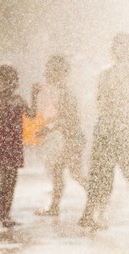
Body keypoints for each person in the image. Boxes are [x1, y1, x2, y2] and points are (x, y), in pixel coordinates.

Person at [78, 32, 129, 232]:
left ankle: (89, 216)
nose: (126, 52)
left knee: (105, 174)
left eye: (127, 48)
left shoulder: (106, 74)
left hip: (109, 127)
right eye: (123, 48)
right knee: (121, 174)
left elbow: (103, 101)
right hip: (119, 127)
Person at [34, 55, 88, 216]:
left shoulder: (65, 93)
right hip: (72, 138)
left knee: (72, 173)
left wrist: (48, 129)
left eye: (50, 72)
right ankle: (55, 207)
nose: (47, 75)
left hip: (73, 138)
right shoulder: (62, 92)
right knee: (68, 172)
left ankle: (98, 198)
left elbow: (68, 118)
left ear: (60, 73)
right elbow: (63, 116)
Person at [0, 64, 38, 228]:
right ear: (0, 81)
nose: (10, 82)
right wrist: (5, 102)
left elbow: (32, 115)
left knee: (11, 180)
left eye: (12, 79)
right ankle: (0, 214)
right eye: (5, 79)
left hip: (14, 144)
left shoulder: (19, 99)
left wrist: (34, 95)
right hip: (3, 143)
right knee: (2, 181)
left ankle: (6, 214)